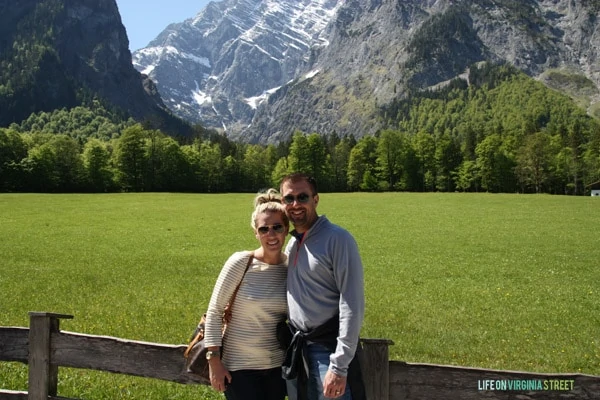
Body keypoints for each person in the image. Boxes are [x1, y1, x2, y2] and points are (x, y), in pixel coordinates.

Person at [279, 173, 366, 400]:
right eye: (289, 199)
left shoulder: (338, 239)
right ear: (282, 203)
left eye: (302, 197)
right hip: (299, 349)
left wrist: (339, 365)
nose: (296, 204)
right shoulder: (293, 244)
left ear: (316, 199)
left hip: (327, 350)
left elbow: (352, 303)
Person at [204, 189, 289, 400]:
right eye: (264, 229)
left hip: (278, 369)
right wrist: (214, 361)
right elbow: (214, 311)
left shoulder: (291, 266)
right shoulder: (241, 262)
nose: (271, 234)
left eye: (277, 227)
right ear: (256, 232)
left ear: (286, 229)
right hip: (239, 370)